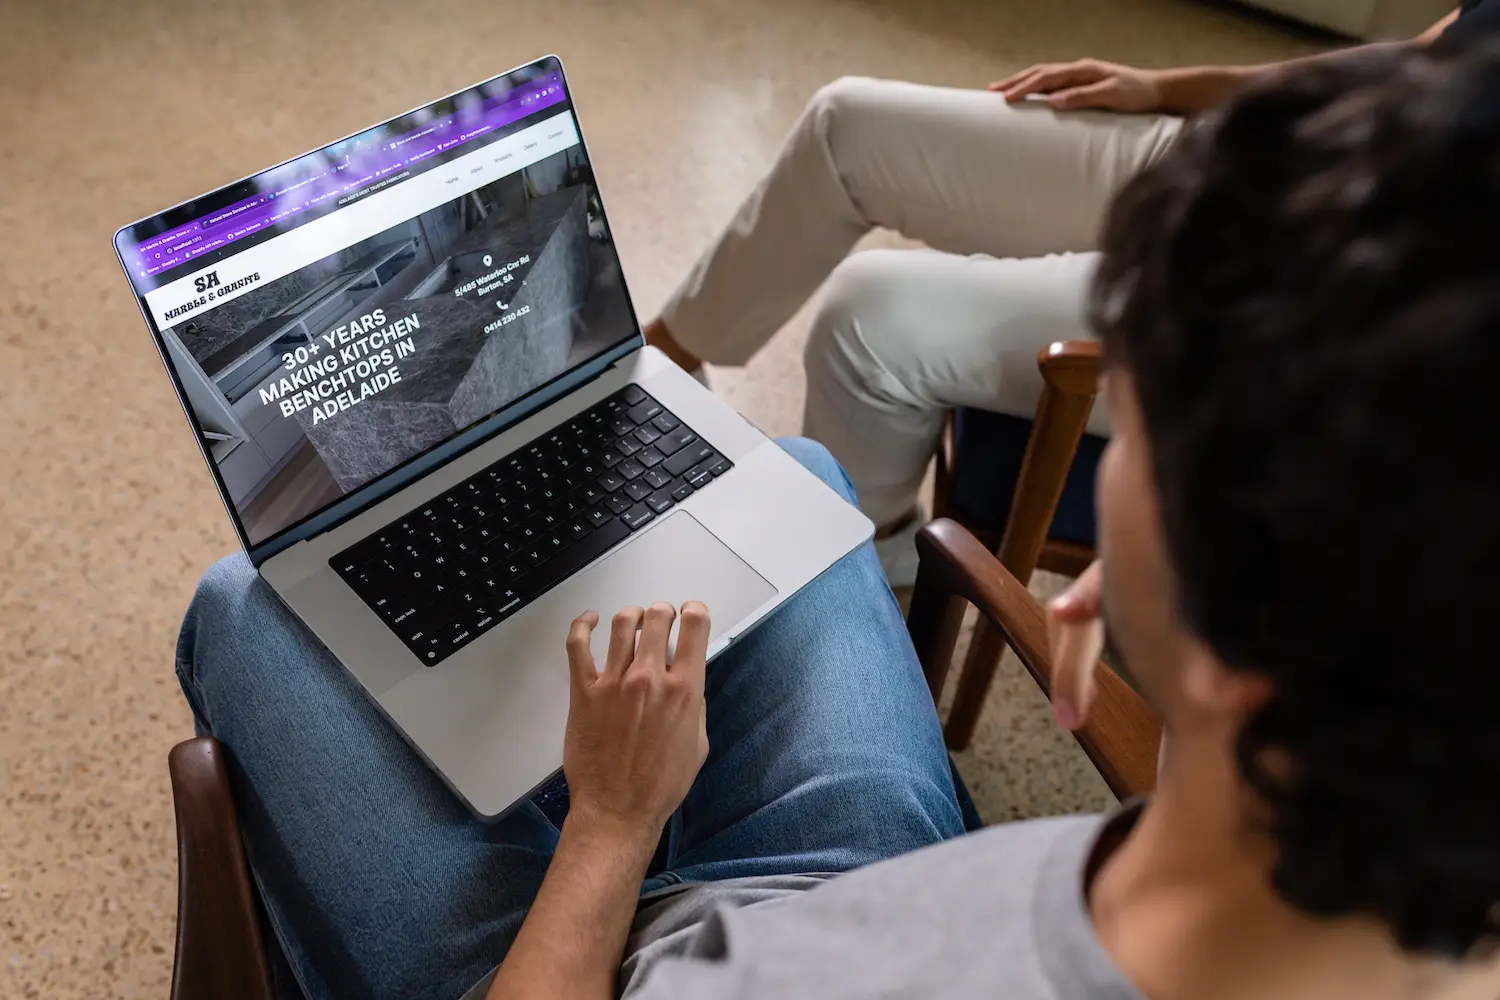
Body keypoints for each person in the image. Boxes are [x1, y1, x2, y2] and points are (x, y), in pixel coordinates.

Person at [177, 41, 1500, 1000]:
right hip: (878, 879)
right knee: (800, 476)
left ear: (1232, 628)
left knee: (245, 602)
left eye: (1143, 435)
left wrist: (613, 825)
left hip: (598, 955)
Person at [644, 7, 1476, 585]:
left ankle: (872, 563)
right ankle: (660, 364)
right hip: (1238, 161)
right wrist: (1166, 88)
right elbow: (1424, 57)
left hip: (1309, 296)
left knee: (865, 315)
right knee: (847, 125)